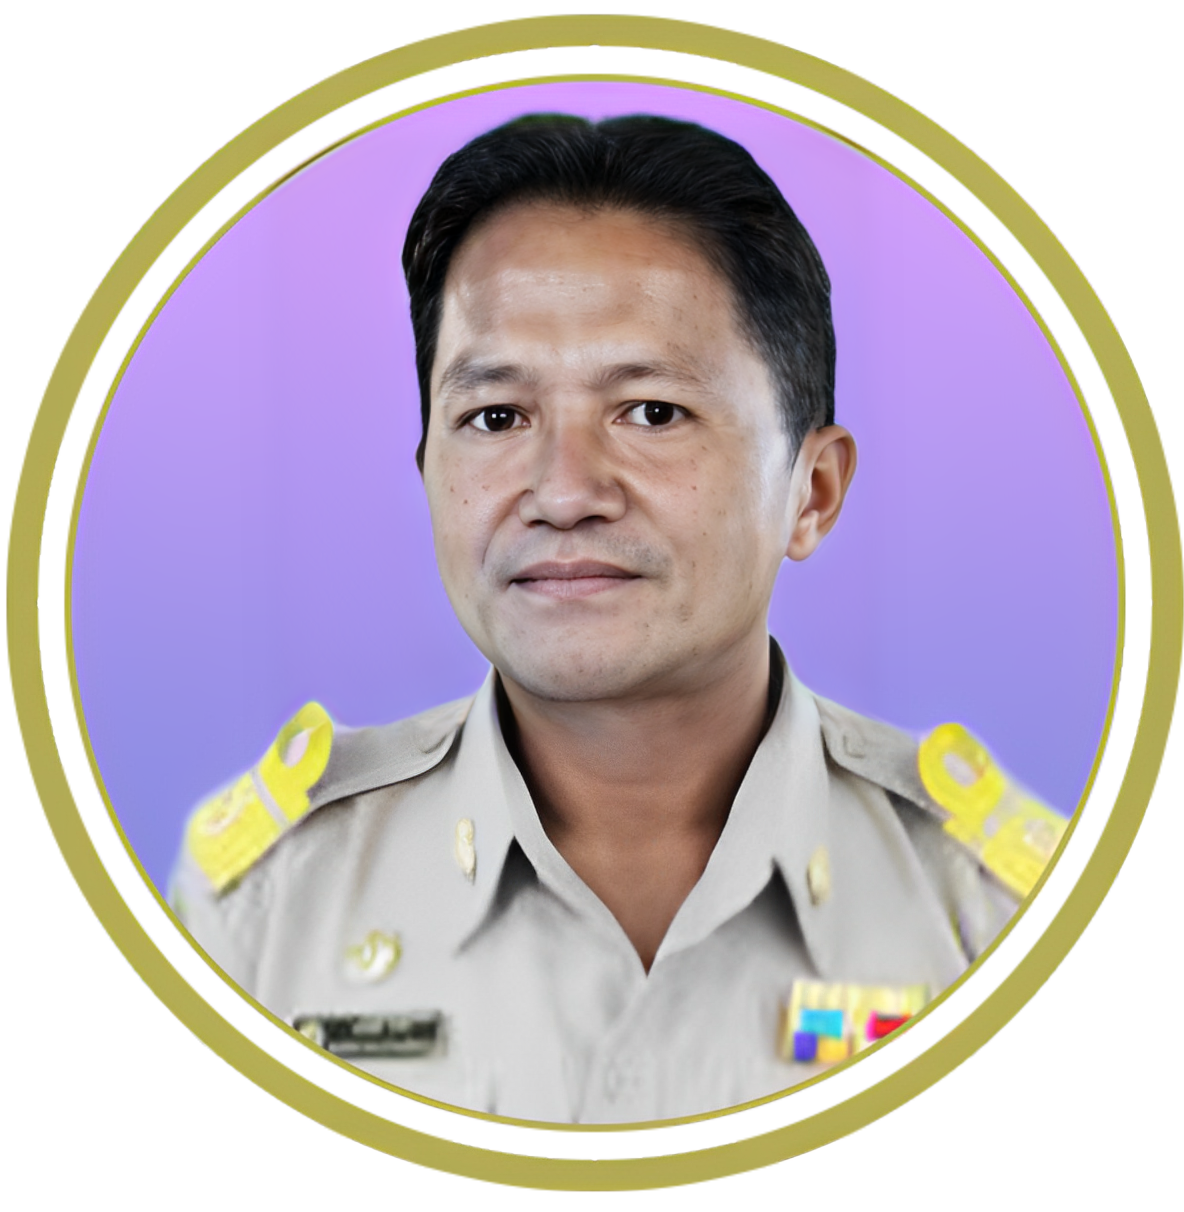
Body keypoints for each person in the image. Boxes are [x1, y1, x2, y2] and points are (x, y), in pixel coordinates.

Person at [121, 114, 1118, 1130]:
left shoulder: (1014, 926)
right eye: (496, 418)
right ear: (426, 471)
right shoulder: (264, 909)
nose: (562, 493)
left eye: (650, 412)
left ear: (811, 490)